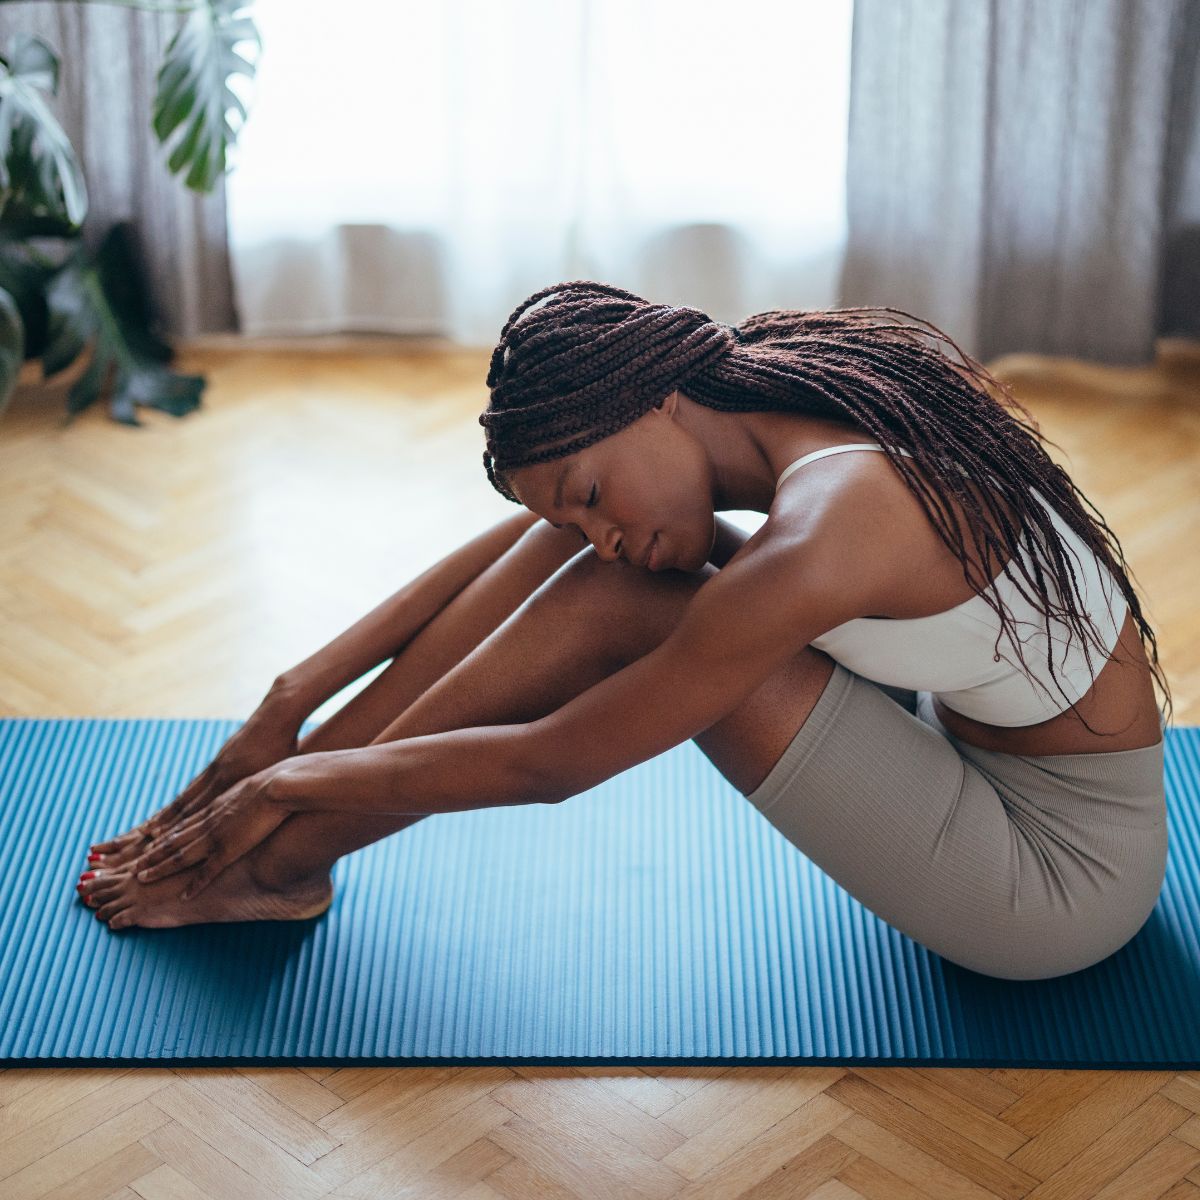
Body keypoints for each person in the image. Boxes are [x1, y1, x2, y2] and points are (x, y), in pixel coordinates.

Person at [76, 281, 1172, 981]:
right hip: (963, 745)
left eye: (591, 487)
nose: (594, 526)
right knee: (603, 567)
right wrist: (285, 712)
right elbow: (535, 544)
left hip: (1057, 876)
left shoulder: (831, 526)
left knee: (623, 595)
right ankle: (276, 833)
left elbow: (552, 765)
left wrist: (283, 792)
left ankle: (278, 857)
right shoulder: (769, 388)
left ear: (654, 402)